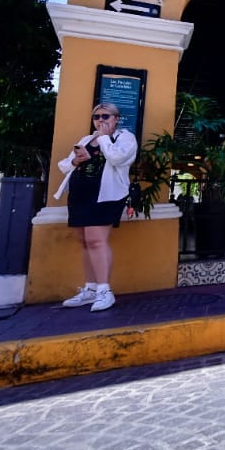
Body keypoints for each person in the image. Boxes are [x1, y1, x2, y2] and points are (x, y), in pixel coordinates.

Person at [54, 103, 138, 312]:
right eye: (96, 117)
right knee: (84, 241)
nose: (101, 120)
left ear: (116, 118)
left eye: (106, 116)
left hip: (107, 195)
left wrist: (103, 138)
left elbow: (117, 158)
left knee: (96, 240)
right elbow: (64, 165)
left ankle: (104, 291)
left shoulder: (125, 138)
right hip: (81, 194)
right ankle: (90, 289)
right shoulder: (85, 140)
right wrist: (75, 160)